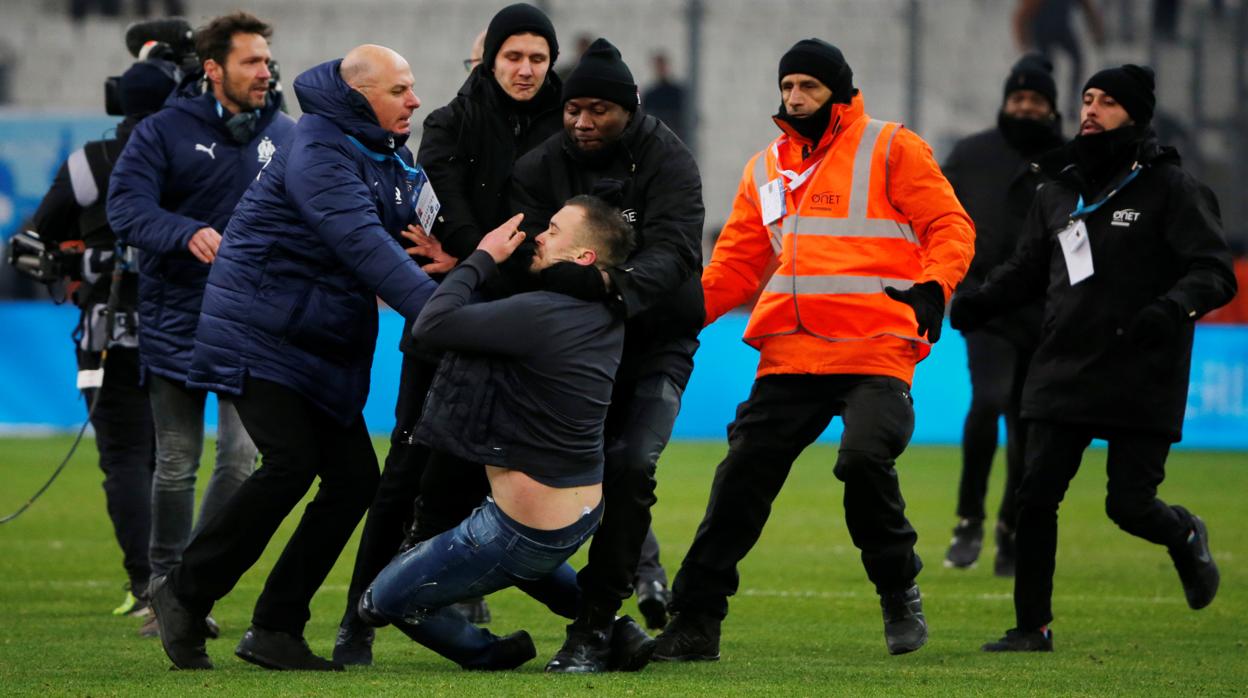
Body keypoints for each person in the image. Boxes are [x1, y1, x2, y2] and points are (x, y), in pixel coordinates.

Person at [653, 38, 975, 661]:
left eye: (810, 87)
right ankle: (694, 623)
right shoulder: (765, 167)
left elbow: (949, 225)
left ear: (840, 90)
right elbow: (735, 268)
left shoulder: (891, 146)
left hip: (877, 342)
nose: (795, 97)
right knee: (739, 481)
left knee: (860, 459)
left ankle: (896, 585)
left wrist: (937, 284)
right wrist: (675, 316)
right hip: (791, 351)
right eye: (789, 87)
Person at [146, 44, 439, 671]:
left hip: (315, 342)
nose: (414, 99)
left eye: (412, 88)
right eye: (400, 90)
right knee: (291, 463)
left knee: (355, 478)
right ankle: (182, 591)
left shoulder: (388, 156)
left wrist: (468, 268)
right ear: (361, 96)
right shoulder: (320, 151)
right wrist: (450, 316)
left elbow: (415, 241)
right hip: (259, 331)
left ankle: (275, 628)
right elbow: (370, 252)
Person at [951, 64, 1236, 652]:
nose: (1091, 109)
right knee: (1035, 496)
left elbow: (1214, 271)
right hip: (1064, 363)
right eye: (1087, 98)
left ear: (1135, 115)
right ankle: (1033, 627)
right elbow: (1030, 268)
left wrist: (1170, 308)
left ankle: (1184, 535)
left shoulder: (1171, 187)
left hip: (1142, 365)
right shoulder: (1058, 189)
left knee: (1128, 505)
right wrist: (979, 303)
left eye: (1107, 101)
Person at [332, 2, 566, 665]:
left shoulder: (572, 120)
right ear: (489, 59)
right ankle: (357, 621)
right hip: (454, 326)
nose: (524, 69)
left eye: (537, 58)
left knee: (533, 486)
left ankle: (598, 618)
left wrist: (474, 261)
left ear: (552, 63)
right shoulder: (449, 123)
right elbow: (459, 227)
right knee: (402, 477)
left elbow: (566, 226)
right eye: (513, 56)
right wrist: (498, 258)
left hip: (521, 325)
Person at [358, 196, 637, 671]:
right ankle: (617, 629)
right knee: (521, 560)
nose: (539, 236)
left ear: (583, 257)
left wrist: (480, 257)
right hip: (580, 511)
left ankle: (490, 653)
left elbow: (432, 324)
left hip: (523, 530)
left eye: (553, 230)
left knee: (381, 601)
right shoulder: (605, 311)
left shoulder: (540, 315)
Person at [509, 37, 705, 673]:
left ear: (632, 109)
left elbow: (675, 255)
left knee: (629, 465)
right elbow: (526, 256)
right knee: (549, 477)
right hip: (575, 348)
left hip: (656, 344)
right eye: (573, 111)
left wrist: (603, 285)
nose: (583, 122)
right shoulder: (539, 167)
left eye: (599, 111)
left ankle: (592, 629)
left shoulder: (669, 161)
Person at [106, 11, 292, 637]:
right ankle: (162, 592)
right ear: (214, 69)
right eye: (251, 62)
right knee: (177, 462)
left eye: (267, 61)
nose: (265, 72)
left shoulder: (289, 134)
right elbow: (125, 208)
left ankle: (188, 587)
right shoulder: (163, 130)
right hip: (177, 317)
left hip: (253, 324)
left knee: (240, 462)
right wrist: (187, 233)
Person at [24, 57, 178, 622]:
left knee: (125, 458)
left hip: (105, 333)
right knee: (173, 458)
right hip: (183, 330)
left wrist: (82, 260)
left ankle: (147, 585)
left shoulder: (91, 162)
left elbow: (34, 242)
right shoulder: (193, 155)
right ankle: (176, 584)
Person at [940, 54, 1064, 576]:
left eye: (1036, 101)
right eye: (1018, 99)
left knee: (1026, 423)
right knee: (989, 399)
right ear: (1004, 101)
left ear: (1051, 108)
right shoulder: (970, 155)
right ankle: (969, 517)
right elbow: (938, 213)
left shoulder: (1069, 161)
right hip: (985, 299)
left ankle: (1010, 530)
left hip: (1046, 307)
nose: (1026, 108)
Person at [641, 51, 690, 145]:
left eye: (662, 65)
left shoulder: (678, 93)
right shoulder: (650, 95)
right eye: (658, 66)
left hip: (677, 140)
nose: (661, 69)